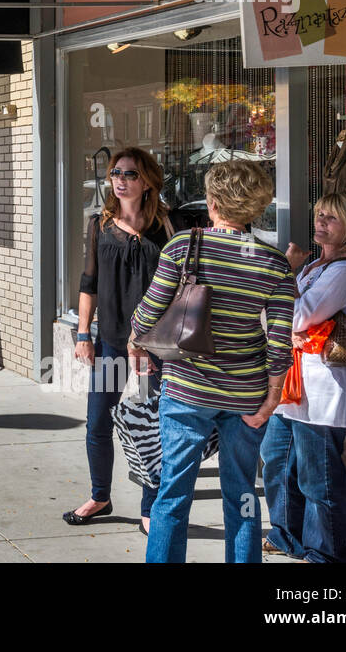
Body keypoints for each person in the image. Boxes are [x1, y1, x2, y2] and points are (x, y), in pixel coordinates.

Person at [130, 160, 294, 563]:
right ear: (256, 207)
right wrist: (272, 398)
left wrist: (136, 340)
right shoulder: (275, 265)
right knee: (243, 494)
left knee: (173, 492)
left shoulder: (184, 246)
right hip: (247, 394)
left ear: (214, 201)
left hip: (189, 388)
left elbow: (146, 316)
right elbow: (279, 344)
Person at [64, 147, 176, 534]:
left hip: (156, 346)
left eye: (129, 174)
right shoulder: (99, 225)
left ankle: (149, 506)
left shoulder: (166, 226)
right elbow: (88, 284)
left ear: (146, 181)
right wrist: (83, 333)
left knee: (151, 428)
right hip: (111, 341)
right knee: (98, 422)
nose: (120, 180)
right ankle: (101, 495)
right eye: (115, 173)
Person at [261, 190, 346, 563]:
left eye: (332, 218)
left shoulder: (344, 270)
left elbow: (294, 317)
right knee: (277, 461)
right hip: (293, 385)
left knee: (318, 477)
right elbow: (282, 319)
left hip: (323, 391)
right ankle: (286, 535)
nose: (320, 222)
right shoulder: (312, 268)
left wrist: (283, 277)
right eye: (320, 215)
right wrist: (289, 308)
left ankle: (325, 552)